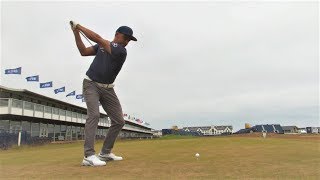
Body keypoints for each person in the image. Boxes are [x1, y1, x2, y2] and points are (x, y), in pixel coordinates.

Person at [70, 21, 137, 166]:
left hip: (108, 88)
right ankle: (88, 155)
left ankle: (105, 152)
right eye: (125, 38)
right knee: (93, 115)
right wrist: (76, 33)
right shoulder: (103, 46)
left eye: (129, 40)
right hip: (91, 84)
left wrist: (79, 26)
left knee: (119, 121)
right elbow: (83, 51)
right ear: (117, 35)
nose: (126, 42)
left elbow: (97, 37)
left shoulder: (120, 50)